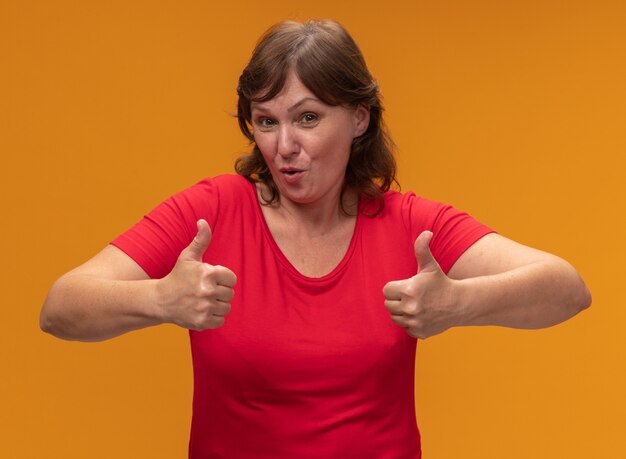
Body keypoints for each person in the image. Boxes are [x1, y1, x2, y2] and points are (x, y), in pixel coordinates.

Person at [40, 19, 591, 459]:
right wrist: (157, 299)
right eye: (266, 120)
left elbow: (567, 289)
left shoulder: (406, 222)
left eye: (307, 118)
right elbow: (60, 307)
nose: (284, 147)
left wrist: (459, 303)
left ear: (358, 118)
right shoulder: (212, 210)